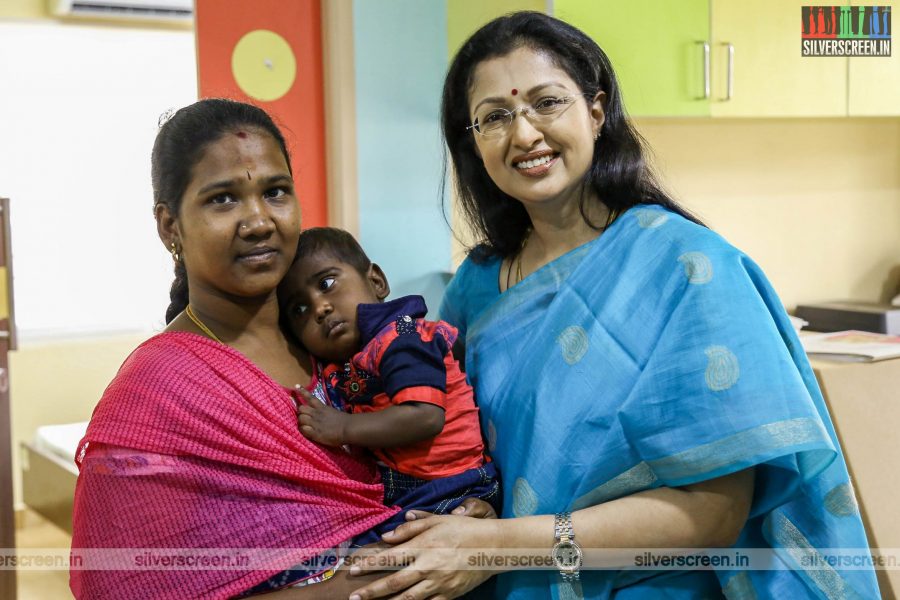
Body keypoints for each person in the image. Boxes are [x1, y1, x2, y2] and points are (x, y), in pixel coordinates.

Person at [345, 11, 880, 600]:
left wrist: (497, 544)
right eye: (495, 116)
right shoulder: (476, 283)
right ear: (472, 142)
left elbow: (710, 516)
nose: (523, 135)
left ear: (596, 111)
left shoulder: (688, 265)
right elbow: (462, 448)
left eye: (547, 103)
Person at [68, 98, 493, 599]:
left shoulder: (334, 346)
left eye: (275, 191)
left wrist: (471, 522)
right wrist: (381, 575)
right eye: (222, 199)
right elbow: (122, 584)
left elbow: (414, 476)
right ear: (169, 227)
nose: (258, 221)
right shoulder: (158, 394)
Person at [277, 227, 500, 544]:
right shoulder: (346, 361)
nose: (319, 308)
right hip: (416, 486)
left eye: (327, 283)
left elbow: (424, 416)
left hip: (451, 485)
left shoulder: (401, 337)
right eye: (299, 309)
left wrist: (342, 427)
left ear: (376, 281)